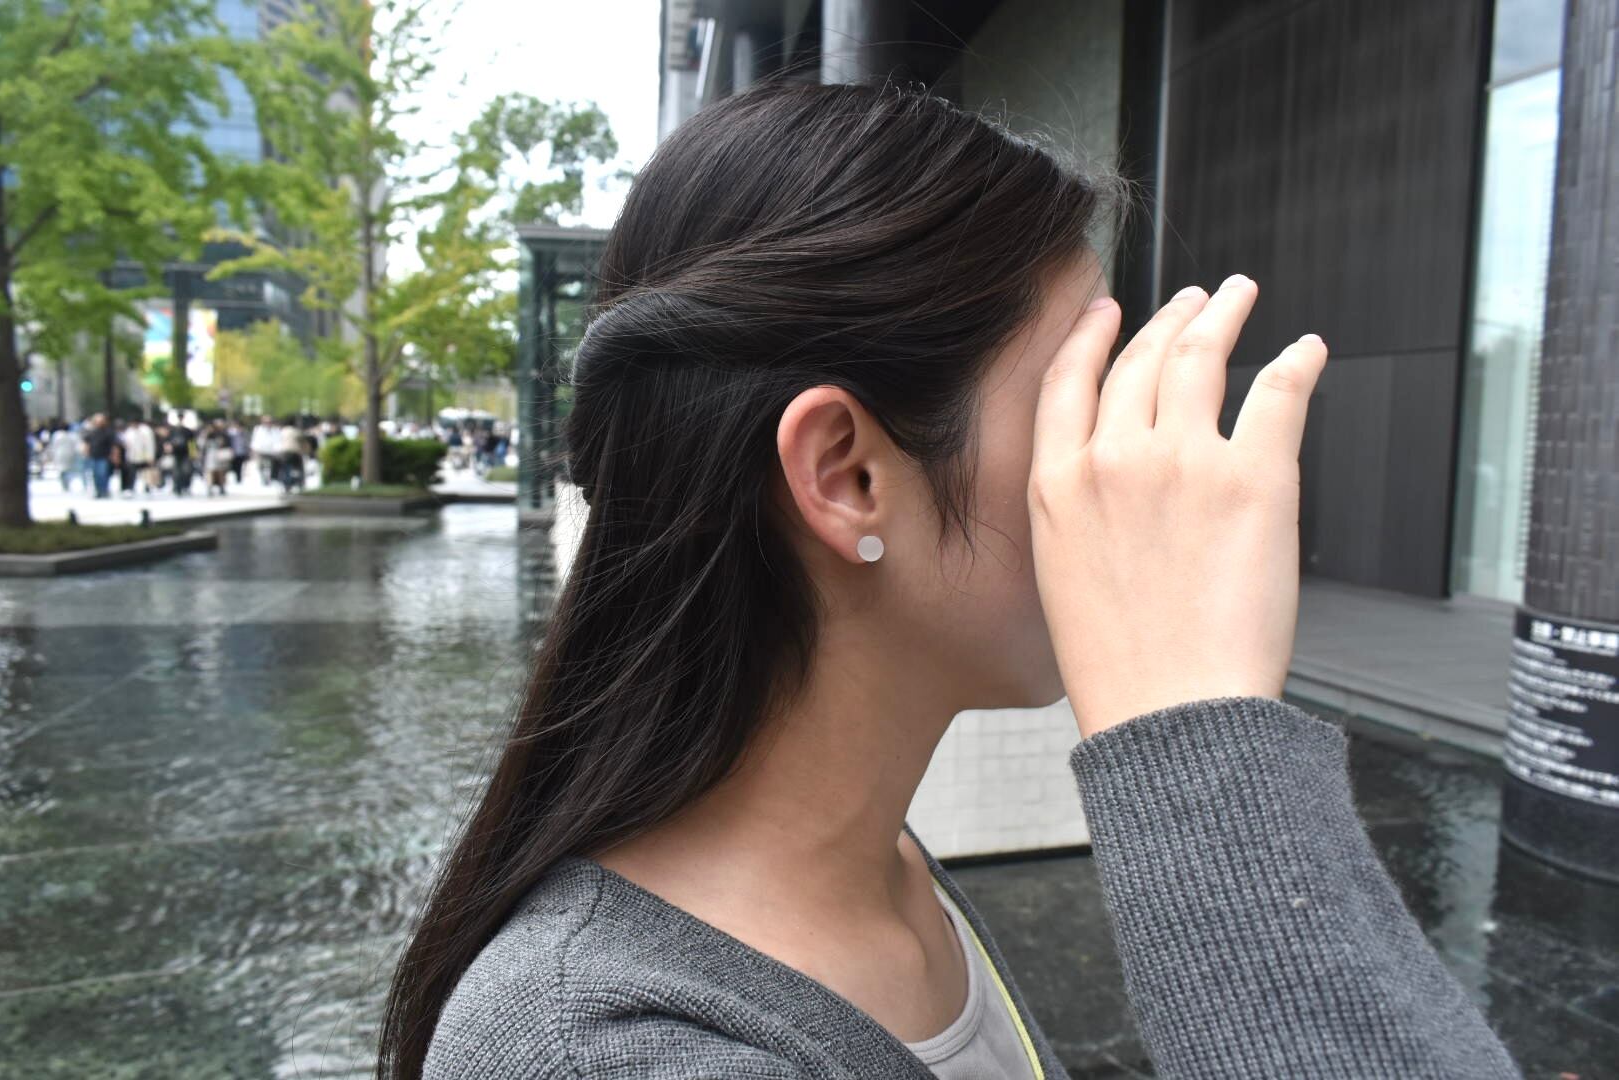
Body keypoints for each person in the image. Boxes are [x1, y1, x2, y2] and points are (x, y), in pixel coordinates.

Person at [391, 82, 1521, 1080]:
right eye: (1074, 394)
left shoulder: (881, 866)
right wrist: (1197, 734)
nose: (1117, 457)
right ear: (847, 475)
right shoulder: (600, 1050)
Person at [81, 413, 116, 499]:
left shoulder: (108, 432)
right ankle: (98, 491)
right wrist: (86, 453)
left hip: (104, 456)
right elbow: (87, 443)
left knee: (103, 474)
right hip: (93, 456)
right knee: (95, 475)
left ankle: (104, 490)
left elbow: (113, 445)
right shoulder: (91, 432)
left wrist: (114, 455)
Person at [201, 422, 233, 496]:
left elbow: (227, 443)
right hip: (209, 456)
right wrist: (193, 454)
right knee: (210, 472)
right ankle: (209, 487)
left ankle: (221, 487)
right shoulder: (205, 435)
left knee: (220, 472)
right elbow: (199, 444)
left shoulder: (222, 435)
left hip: (219, 456)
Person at [251, 415, 280, 487]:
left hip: (272, 452)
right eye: (266, 422)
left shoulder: (276, 430)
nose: (268, 423)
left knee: (270, 466)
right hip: (261, 451)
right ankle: (264, 479)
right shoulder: (258, 429)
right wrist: (254, 450)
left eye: (269, 422)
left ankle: (270, 479)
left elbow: (278, 440)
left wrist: (278, 450)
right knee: (261, 466)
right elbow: (255, 440)